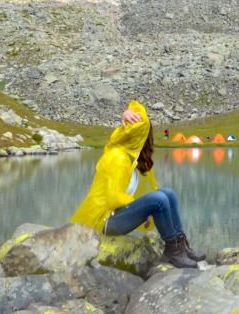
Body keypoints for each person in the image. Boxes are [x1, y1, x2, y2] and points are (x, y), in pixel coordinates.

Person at [71, 100, 205, 268]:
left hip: (116, 215)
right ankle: (172, 251)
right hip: (103, 220)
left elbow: (143, 192)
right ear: (138, 137)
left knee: (168, 193)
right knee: (159, 199)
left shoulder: (131, 160)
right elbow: (114, 199)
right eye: (145, 135)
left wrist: (143, 208)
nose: (148, 140)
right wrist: (145, 209)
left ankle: (181, 245)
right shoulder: (117, 157)